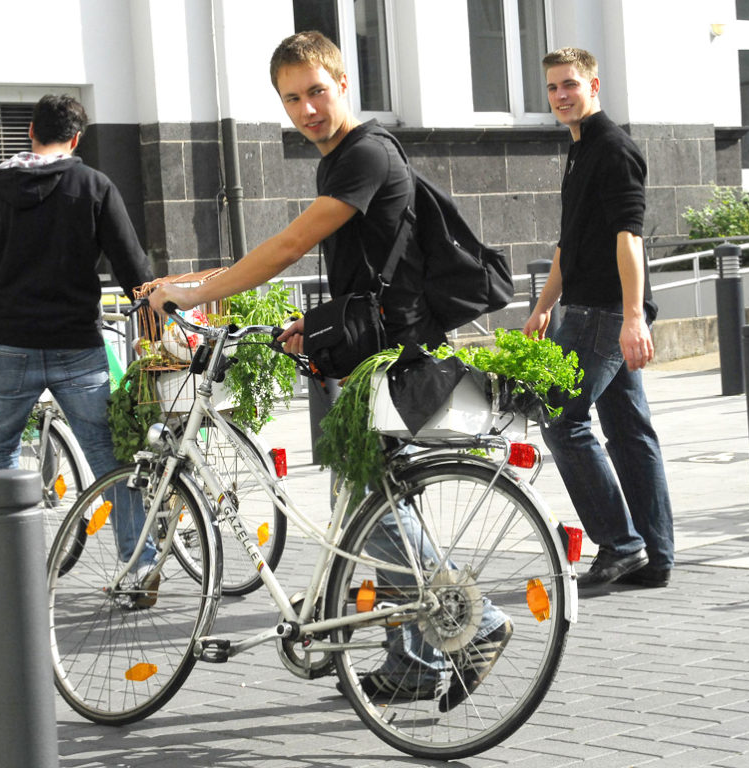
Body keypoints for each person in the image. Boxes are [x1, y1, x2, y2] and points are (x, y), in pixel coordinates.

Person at [147, 31, 510, 709]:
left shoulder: (364, 153)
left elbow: (290, 243)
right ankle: (410, 662)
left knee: (374, 508)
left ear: (344, 83)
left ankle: (477, 622)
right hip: (375, 345)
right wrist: (302, 324)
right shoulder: (346, 158)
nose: (307, 108)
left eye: (317, 90)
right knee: (364, 502)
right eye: (292, 98)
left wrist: (197, 294)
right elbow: (363, 266)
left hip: (390, 357)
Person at [0, 94, 159, 604]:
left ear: (31, 131)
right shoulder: (93, 186)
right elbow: (133, 268)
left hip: (8, 345)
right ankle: (139, 568)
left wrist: (3, 316)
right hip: (78, 345)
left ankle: (4, 580)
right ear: (76, 140)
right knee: (110, 459)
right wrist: (155, 314)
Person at [523, 47, 674, 589]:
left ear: (594, 85)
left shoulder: (612, 149)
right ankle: (654, 556)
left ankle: (620, 543)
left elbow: (628, 238)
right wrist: (542, 306)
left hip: (603, 313)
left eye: (570, 85)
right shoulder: (580, 149)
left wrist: (634, 317)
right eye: (552, 88)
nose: (561, 96)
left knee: (561, 419)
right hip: (586, 307)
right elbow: (570, 243)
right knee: (630, 432)